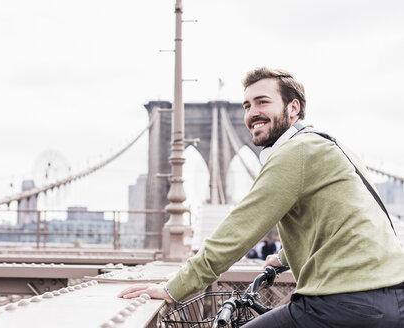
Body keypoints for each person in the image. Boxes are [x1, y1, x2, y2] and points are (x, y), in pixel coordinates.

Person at [118, 67, 404, 327]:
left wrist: (172, 289)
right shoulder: (328, 142)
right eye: (247, 105)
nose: (252, 112)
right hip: (392, 296)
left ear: (294, 108)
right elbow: (345, 217)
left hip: (344, 303)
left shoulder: (294, 153)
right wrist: (283, 257)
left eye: (263, 102)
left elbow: (237, 233)